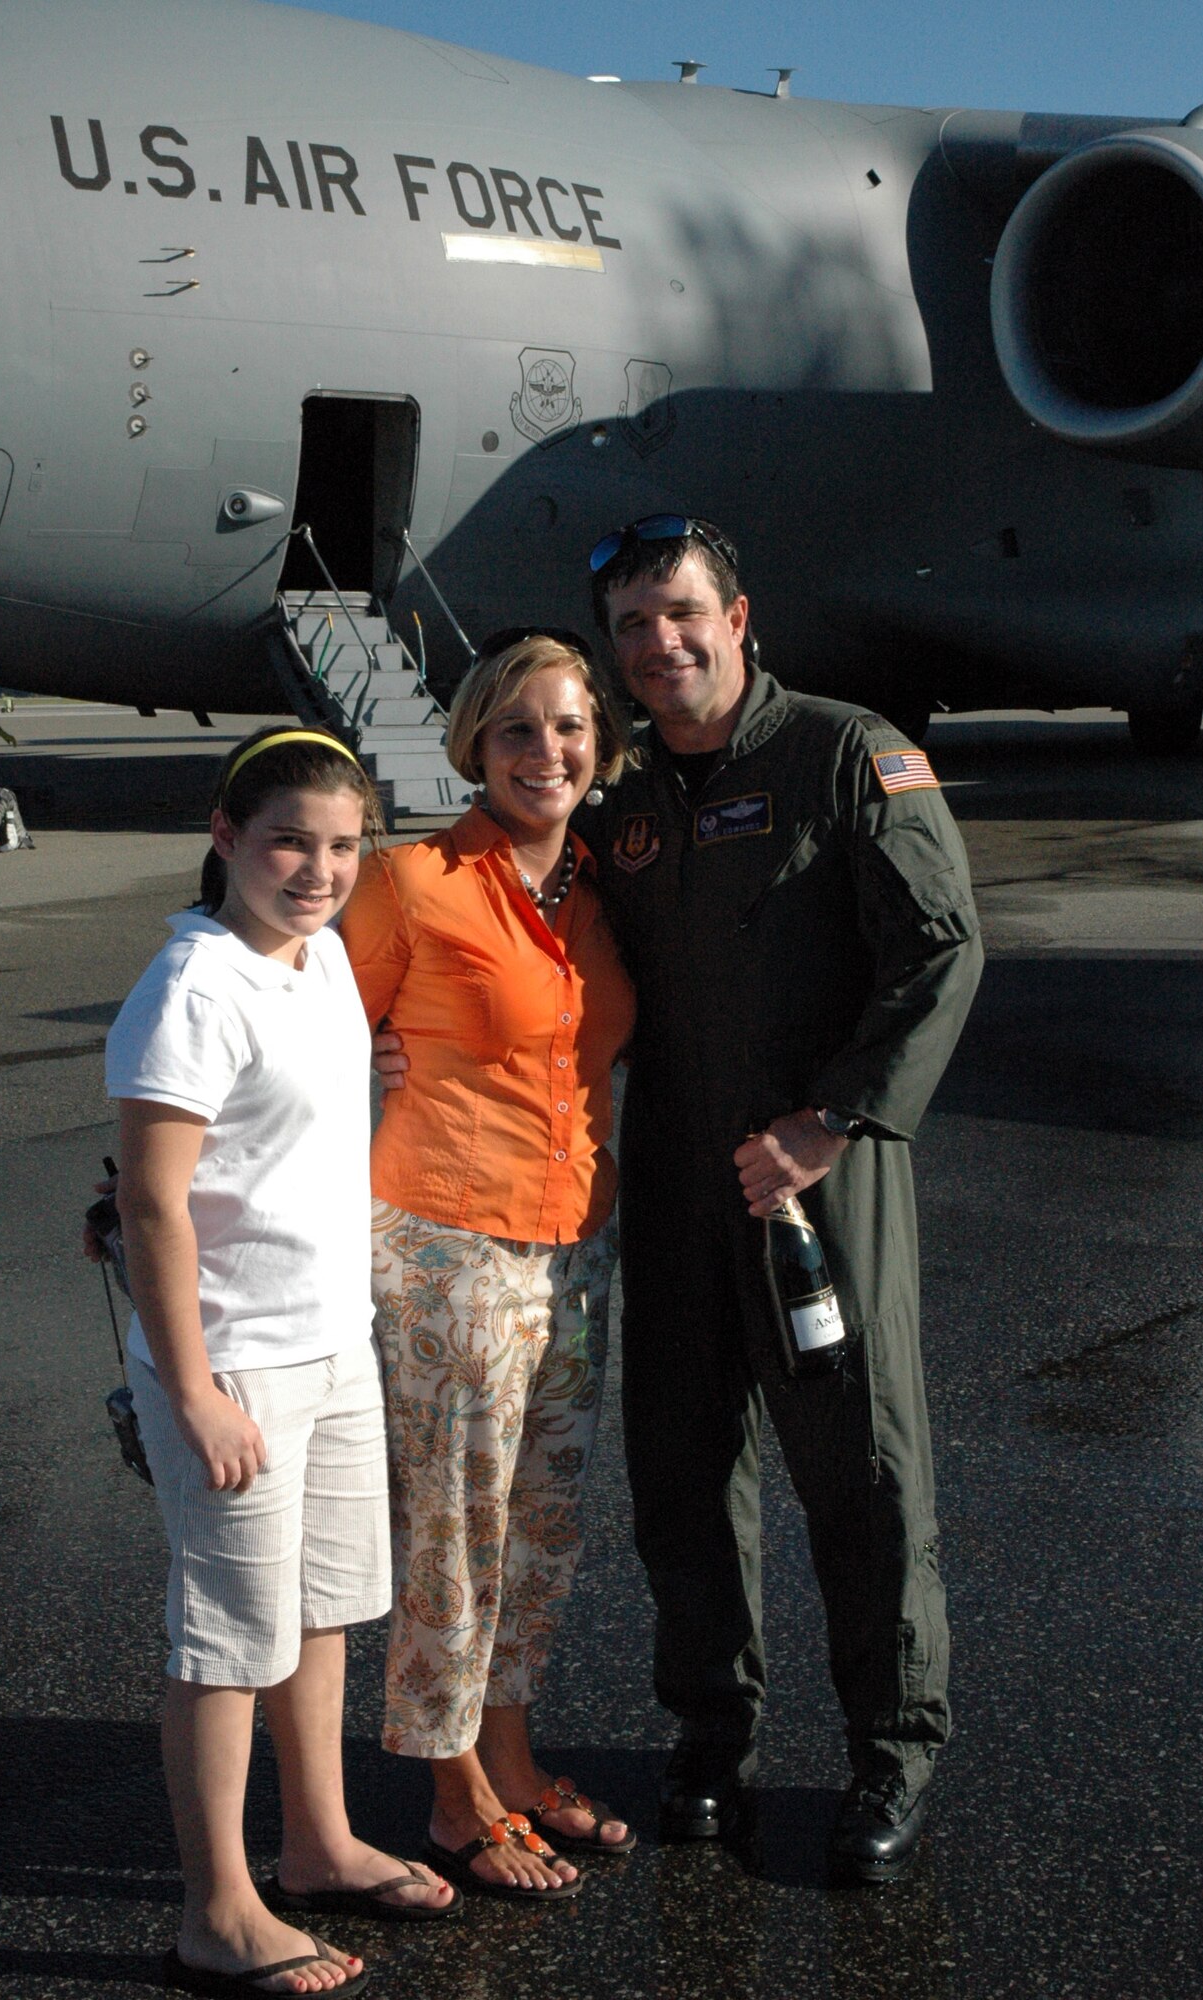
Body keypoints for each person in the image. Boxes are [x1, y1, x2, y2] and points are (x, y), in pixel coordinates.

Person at [577, 515, 984, 1884]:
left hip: (822, 1183)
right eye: (633, 624)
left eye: (681, 614)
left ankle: (892, 1751)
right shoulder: (622, 805)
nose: (659, 644)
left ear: (737, 619)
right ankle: (711, 1736)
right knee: (682, 1479)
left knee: (860, 1473)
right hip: (681, 1185)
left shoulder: (844, 755)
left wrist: (828, 1121)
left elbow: (938, 950)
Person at [104, 726, 453, 2000]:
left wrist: (378, 1063)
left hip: (331, 1339)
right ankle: (219, 1908)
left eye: (345, 844)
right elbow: (152, 1204)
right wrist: (191, 1389)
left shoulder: (318, 962)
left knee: (319, 1612)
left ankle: (315, 1842)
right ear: (226, 838)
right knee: (225, 1635)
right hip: (236, 1359)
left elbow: (300, 1097)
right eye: (290, 841)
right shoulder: (192, 985)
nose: (318, 867)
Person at [338, 633, 638, 1902]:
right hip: (447, 1246)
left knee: (543, 1524)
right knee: (454, 1527)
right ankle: (452, 1781)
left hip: (573, 1241)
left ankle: (510, 1745)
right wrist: (363, 1067)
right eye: (518, 728)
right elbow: (296, 1019)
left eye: (569, 728)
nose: (546, 752)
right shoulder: (412, 881)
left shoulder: (596, 888)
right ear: (474, 741)